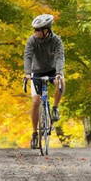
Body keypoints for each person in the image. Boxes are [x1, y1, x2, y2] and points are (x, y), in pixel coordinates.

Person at [23, 14, 65, 149]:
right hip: (36, 72)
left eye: (37, 30)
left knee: (61, 81)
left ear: (46, 30)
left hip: (52, 70)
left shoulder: (56, 40)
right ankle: (35, 134)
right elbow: (28, 56)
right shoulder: (32, 40)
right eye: (34, 29)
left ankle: (55, 108)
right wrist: (28, 73)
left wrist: (58, 73)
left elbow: (60, 57)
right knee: (35, 101)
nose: (34, 32)